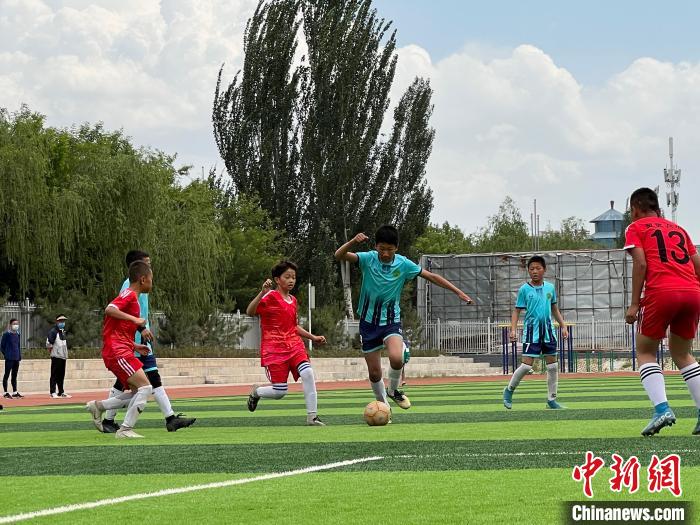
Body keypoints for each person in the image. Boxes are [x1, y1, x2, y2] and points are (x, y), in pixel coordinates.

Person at [335, 225, 473, 413]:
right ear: (376, 246)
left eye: (389, 249)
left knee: (396, 358)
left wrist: (458, 292)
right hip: (368, 323)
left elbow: (431, 276)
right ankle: (384, 407)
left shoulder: (403, 264)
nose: (385, 253)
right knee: (374, 373)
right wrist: (353, 241)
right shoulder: (368, 259)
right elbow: (339, 255)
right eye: (382, 249)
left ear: (396, 248)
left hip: (391, 321)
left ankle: (393, 390)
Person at [623, 187, 700, 436]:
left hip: (661, 292)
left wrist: (634, 304)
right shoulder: (679, 229)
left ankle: (662, 409)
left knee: (645, 351)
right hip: (692, 292)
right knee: (682, 353)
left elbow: (641, 263)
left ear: (635, 208)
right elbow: (697, 265)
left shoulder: (636, 227)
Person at [101, 250, 195, 433]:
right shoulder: (129, 287)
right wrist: (140, 328)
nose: (150, 267)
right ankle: (109, 418)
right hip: (131, 341)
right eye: (147, 263)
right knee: (136, 382)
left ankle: (169, 418)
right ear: (139, 270)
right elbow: (118, 311)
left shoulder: (141, 287)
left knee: (149, 378)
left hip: (138, 341)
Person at [246, 260, 327, 426]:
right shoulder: (269, 296)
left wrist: (312, 337)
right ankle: (257, 392)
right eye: (287, 277)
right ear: (277, 279)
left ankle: (312, 417)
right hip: (274, 349)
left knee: (308, 373)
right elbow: (250, 312)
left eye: (294, 277)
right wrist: (261, 293)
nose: (291, 280)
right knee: (280, 392)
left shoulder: (293, 300)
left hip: (294, 345)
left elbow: (293, 326)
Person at [85, 260, 156, 439]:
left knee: (137, 392)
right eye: (151, 279)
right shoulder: (130, 295)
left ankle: (98, 407)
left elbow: (118, 330)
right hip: (117, 351)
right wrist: (135, 320)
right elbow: (110, 309)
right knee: (146, 388)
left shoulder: (132, 298)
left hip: (121, 349)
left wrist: (134, 346)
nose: (152, 283)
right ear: (143, 279)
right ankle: (124, 430)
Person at [503, 256, 568, 410]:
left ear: (544, 270)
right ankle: (509, 390)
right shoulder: (524, 289)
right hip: (532, 332)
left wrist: (563, 325)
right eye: (531, 269)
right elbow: (517, 311)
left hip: (548, 332)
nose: (535, 271)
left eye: (538, 268)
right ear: (528, 271)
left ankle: (551, 400)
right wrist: (513, 329)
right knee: (526, 366)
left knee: (553, 366)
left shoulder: (550, 288)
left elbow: (554, 309)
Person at [47, 314, 71, 398]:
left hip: (63, 357)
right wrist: (52, 351)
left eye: (63, 321)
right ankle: (52, 392)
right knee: (54, 374)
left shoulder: (63, 332)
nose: (62, 323)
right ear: (57, 321)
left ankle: (61, 392)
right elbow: (49, 343)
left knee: (61, 375)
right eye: (60, 321)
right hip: (56, 356)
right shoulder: (53, 331)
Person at [1, 318, 23, 399]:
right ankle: (5, 392)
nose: (16, 325)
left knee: (14, 375)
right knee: (6, 375)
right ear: (10, 325)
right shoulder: (6, 334)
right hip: (9, 358)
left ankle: (15, 392)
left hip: (16, 358)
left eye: (17, 324)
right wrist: (6, 354)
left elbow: (18, 345)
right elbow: (2, 346)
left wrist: (19, 355)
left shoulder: (18, 334)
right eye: (14, 324)